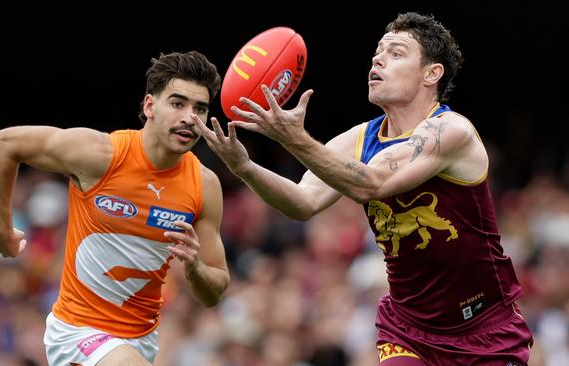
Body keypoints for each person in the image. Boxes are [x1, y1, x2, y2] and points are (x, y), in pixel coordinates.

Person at [197, 12, 533, 366]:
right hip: (409, 329)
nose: (378, 58)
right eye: (378, 51)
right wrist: (245, 167)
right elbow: (302, 202)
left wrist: (295, 140)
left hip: (484, 330)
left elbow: (372, 183)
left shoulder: (451, 131)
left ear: (431, 74)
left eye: (397, 53)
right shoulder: (359, 139)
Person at [0, 51, 230, 366]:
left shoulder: (204, 185)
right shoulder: (101, 155)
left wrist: (195, 269)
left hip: (141, 340)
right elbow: (4, 144)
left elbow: (214, 293)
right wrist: (0, 230)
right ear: (149, 106)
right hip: (77, 332)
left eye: (200, 108)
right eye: (177, 103)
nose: (189, 117)